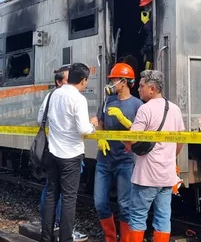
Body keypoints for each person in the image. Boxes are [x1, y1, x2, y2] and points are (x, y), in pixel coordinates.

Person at [40, 63, 98, 242]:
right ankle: (65, 238)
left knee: (51, 194)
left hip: (52, 153)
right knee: (68, 199)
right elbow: (83, 129)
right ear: (83, 80)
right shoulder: (78, 98)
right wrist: (93, 125)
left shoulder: (53, 94)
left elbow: (40, 119)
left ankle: (46, 237)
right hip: (70, 156)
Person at [127, 70, 185, 242]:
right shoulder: (174, 109)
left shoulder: (145, 109)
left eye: (141, 85)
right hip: (167, 176)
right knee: (163, 218)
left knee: (137, 217)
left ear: (152, 89)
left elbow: (131, 138)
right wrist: (169, 158)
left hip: (146, 176)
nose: (138, 89)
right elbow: (180, 140)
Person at [94, 63, 143, 242]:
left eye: (115, 79)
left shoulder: (137, 104)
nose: (112, 82)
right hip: (104, 160)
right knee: (99, 202)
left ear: (124, 82)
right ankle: (110, 238)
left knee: (125, 205)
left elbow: (140, 133)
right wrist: (101, 136)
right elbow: (100, 122)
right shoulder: (107, 101)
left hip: (125, 161)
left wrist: (124, 120)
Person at [138, 0, 154, 71]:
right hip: (148, 53)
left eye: (147, 5)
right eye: (144, 6)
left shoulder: (155, 15)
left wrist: (146, 22)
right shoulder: (150, 15)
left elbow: (152, 30)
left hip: (152, 52)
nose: (145, 7)